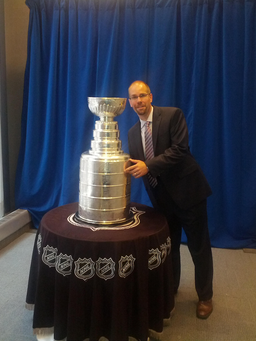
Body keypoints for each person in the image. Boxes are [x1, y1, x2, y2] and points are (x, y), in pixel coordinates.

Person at [124, 80, 213, 319]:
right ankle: (170, 289)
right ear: (129, 102)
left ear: (151, 97)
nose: (138, 101)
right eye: (133, 97)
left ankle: (205, 296)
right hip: (162, 202)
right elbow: (135, 165)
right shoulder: (133, 134)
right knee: (168, 248)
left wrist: (148, 165)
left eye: (142, 95)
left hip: (189, 194)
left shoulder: (173, 115)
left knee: (199, 247)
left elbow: (179, 150)